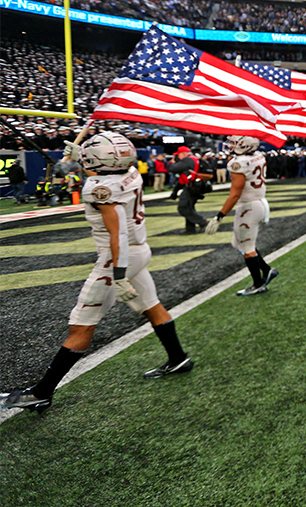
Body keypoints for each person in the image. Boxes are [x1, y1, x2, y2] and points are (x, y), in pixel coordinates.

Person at [0, 133, 193, 413]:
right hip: (140, 250)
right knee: (150, 306)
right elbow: (107, 171)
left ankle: (41, 392)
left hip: (118, 256)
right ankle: (178, 358)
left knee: (82, 324)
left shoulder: (98, 187)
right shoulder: (130, 174)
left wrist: (119, 273)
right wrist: (80, 154)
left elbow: (119, 233)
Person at [205, 136, 278, 296]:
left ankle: (258, 283)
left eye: (234, 143)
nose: (230, 145)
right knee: (237, 243)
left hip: (248, 207)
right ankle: (266, 270)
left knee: (247, 248)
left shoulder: (238, 163)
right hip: (258, 202)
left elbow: (235, 194)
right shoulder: (259, 156)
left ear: (244, 146)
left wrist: (219, 216)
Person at [169, 146, 212, 234]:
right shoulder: (193, 159)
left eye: (178, 155)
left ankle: (203, 222)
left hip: (192, 187)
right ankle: (190, 229)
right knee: (189, 207)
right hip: (195, 186)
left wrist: (173, 162)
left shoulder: (188, 160)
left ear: (183, 154)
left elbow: (173, 169)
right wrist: (175, 191)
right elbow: (183, 177)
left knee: (183, 207)